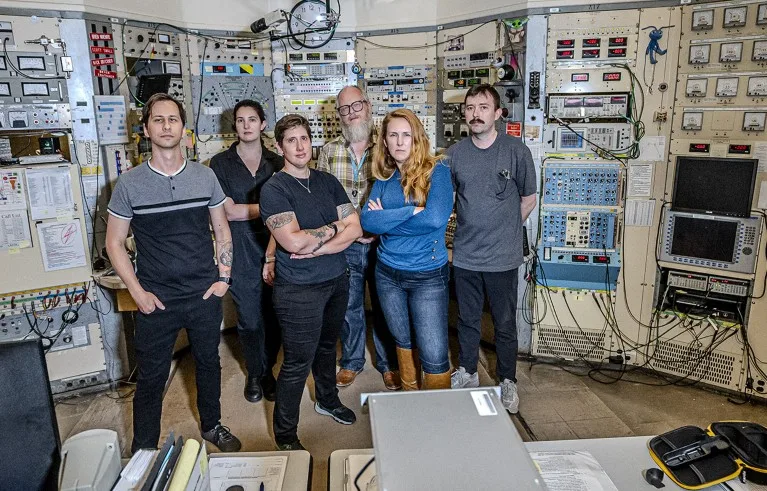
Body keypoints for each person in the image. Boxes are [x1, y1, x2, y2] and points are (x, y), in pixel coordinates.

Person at [106, 93, 241, 453]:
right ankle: (143, 448)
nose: (167, 126)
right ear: (146, 129)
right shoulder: (130, 184)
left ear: (184, 128)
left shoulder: (205, 177)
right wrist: (137, 293)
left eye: (173, 119)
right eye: (158, 120)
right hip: (156, 298)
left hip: (202, 293)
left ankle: (212, 426)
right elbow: (115, 244)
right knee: (151, 377)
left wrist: (223, 278)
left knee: (209, 364)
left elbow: (222, 230)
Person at [260, 114, 362, 451]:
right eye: (291, 140)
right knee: (296, 363)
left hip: (336, 280)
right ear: (279, 147)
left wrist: (321, 242)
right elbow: (292, 243)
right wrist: (336, 229)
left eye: (304, 138)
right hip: (298, 290)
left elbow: (356, 228)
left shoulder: (327, 180)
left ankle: (327, 400)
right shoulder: (274, 189)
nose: (300, 146)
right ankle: (286, 435)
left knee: (326, 348)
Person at [447, 84, 537, 414]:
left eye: (483, 107)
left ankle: (507, 381)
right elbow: (452, 200)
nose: (475, 113)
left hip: (502, 257)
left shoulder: (516, 151)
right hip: (467, 255)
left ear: (497, 113)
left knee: (504, 324)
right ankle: (468, 372)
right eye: (470, 107)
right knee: (467, 320)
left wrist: (506, 229)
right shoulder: (455, 155)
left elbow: (529, 198)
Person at [360, 109, 453, 390]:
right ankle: (412, 406)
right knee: (403, 343)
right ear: (385, 142)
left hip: (427, 276)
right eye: (393, 135)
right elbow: (367, 220)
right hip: (387, 275)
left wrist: (386, 221)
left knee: (434, 355)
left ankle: (436, 424)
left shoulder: (438, 172)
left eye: (406, 135)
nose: (400, 142)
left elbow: (435, 218)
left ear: (417, 139)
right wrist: (412, 211)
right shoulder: (383, 181)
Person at [317, 85, 400, 391]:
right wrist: (348, 230)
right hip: (345, 244)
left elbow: (400, 193)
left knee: (385, 304)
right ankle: (352, 362)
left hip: (383, 243)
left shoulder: (387, 146)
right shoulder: (329, 150)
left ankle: (388, 364)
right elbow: (322, 198)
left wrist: (374, 227)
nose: (351, 113)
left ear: (368, 106)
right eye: (344, 109)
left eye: (356, 106)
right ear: (338, 115)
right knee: (349, 305)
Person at [209, 100, 282, 403]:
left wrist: (249, 211)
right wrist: (271, 210)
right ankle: (255, 372)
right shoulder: (220, 164)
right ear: (235, 126)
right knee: (250, 320)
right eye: (241, 120)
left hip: (275, 246)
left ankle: (268, 372)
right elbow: (229, 213)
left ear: (263, 124)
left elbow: (244, 210)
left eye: (253, 119)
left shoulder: (278, 163)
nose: (247, 125)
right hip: (240, 250)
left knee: (275, 315)